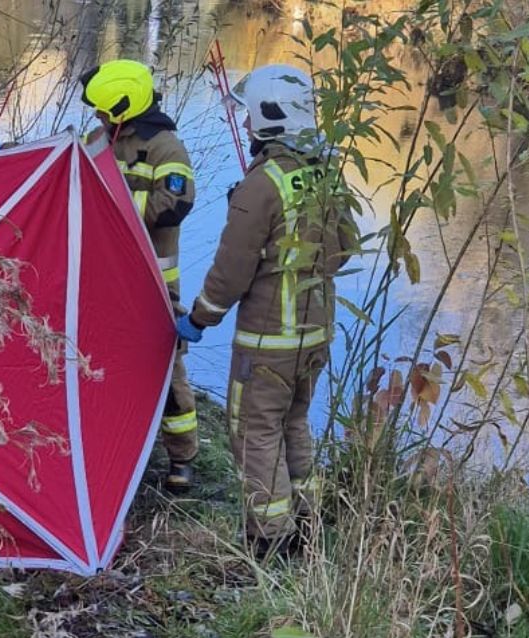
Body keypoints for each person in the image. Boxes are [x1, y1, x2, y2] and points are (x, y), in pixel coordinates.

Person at [175, 64, 358, 557]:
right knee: (294, 423)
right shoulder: (326, 174)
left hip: (266, 342)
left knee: (255, 433)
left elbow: (231, 272)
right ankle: (308, 524)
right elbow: (344, 252)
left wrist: (198, 319)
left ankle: (270, 541)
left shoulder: (262, 185)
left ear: (265, 116)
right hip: (315, 336)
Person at [79, 59, 199, 493]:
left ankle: (182, 458)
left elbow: (177, 204)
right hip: (104, 280)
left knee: (167, 373)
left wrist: (118, 218)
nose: (95, 116)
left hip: (153, 284)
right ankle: (113, 450)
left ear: (123, 108)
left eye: (102, 109)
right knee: (101, 365)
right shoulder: (99, 141)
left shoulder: (167, 148)